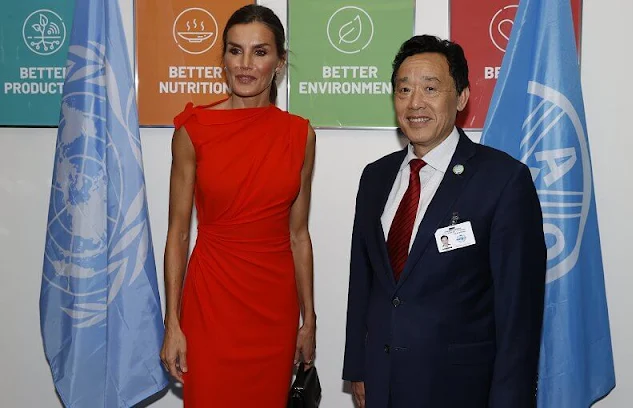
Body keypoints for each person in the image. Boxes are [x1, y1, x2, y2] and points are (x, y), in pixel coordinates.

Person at [342, 35, 547, 408]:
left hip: (461, 388)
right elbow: (364, 282)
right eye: (404, 89)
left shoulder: (502, 180)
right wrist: (358, 367)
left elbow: (519, 313)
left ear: (462, 97)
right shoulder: (375, 177)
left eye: (430, 88)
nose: (415, 102)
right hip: (382, 383)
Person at [160, 5, 316, 407]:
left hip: (273, 308)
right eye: (235, 51)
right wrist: (172, 322)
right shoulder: (193, 132)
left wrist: (309, 318)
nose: (245, 64)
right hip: (211, 303)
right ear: (223, 58)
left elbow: (298, 234)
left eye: (260, 52)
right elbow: (178, 232)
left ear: (280, 62)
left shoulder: (299, 135)